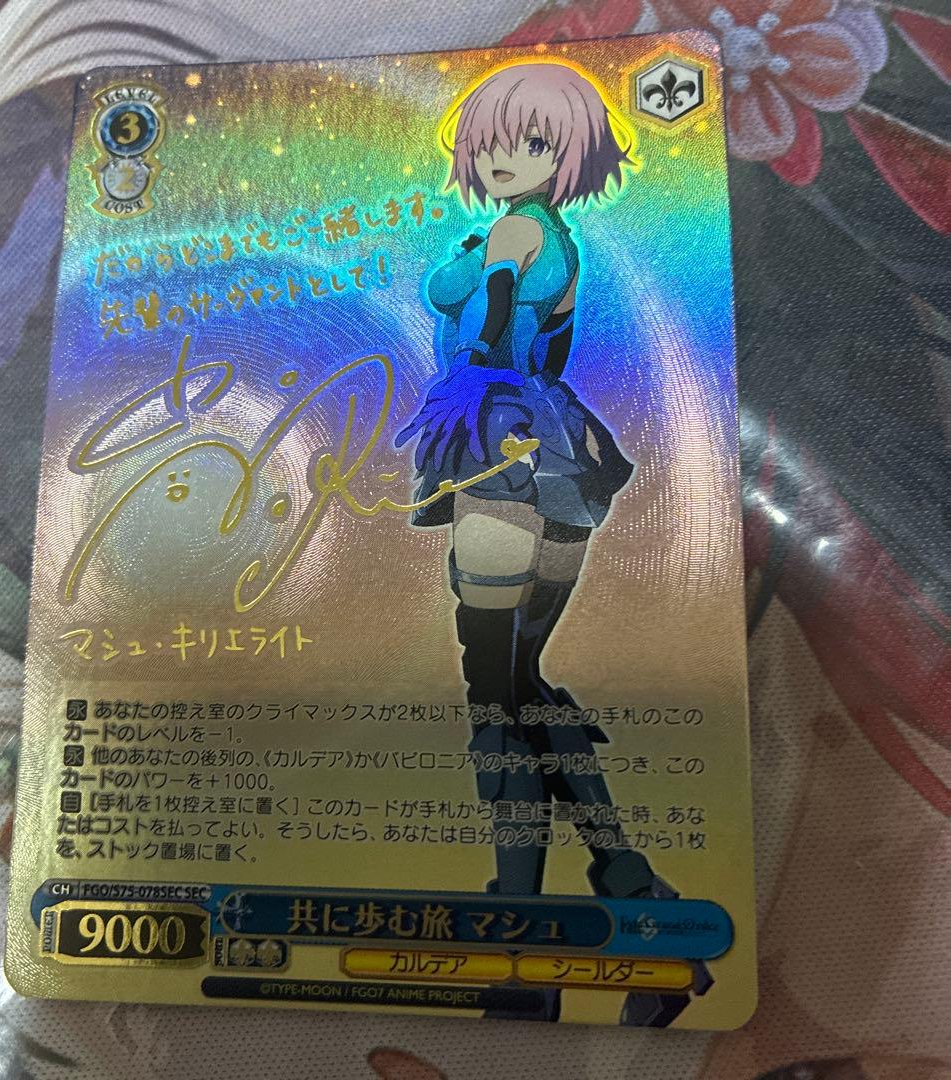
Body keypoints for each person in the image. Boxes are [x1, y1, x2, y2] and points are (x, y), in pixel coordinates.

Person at [397, 62, 705, 1024]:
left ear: (567, 154)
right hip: (557, 451)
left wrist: (475, 369)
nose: (505, 158)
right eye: (492, 142)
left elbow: (491, 315)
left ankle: (523, 943)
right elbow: (550, 342)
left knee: (495, 695)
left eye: (531, 142)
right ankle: (634, 898)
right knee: (522, 685)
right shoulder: (554, 240)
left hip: (499, 442)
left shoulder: (516, 232)